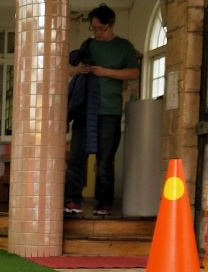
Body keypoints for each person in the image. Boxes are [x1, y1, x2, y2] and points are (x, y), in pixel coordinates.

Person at [64, 4, 140, 217]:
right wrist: (79, 70)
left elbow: (133, 73)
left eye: (101, 29)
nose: (97, 32)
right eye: (94, 28)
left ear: (111, 25)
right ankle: (72, 200)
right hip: (84, 110)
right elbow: (68, 68)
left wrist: (104, 72)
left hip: (110, 111)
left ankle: (104, 203)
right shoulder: (88, 44)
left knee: (105, 160)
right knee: (77, 157)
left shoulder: (124, 46)